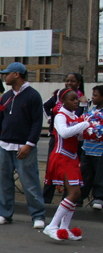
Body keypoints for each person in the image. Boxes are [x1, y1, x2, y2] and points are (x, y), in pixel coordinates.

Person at [0, 63, 46, 228]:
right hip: (4, 145)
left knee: (30, 182)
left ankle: (38, 215)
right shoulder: (6, 96)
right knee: (3, 182)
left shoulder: (33, 96)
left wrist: (30, 144)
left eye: (7, 73)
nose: (4, 76)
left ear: (17, 74)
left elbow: (37, 123)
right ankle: (4, 213)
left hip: (24, 147)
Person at [42, 88, 90, 241]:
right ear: (63, 101)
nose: (76, 101)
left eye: (77, 99)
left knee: (76, 194)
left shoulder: (74, 116)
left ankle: (64, 228)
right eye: (72, 99)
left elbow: (78, 137)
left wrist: (91, 129)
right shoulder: (60, 116)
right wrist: (84, 124)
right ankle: (52, 226)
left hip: (72, 158)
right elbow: (64, 132)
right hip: (62, 157)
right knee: (74, 193)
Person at [42, 73, 85, 204]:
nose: (69, 83)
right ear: (63, 101)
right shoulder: (60, 109)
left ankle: (65, 208)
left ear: (79, 83)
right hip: (60, 148)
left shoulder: (81, 100)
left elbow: (79, 127)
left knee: (73, 190)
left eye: (73, 81)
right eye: (67, 80)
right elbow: (65, 131)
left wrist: (85, 127)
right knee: (52, 172)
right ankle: (46, 202)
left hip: (72, 151)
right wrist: (51, 119)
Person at [80, 85, 103, 210]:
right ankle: (79, 197)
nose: (92, 98)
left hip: (100, 151)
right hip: (87, 149)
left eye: (95, 95)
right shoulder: (91, 111)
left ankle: (98, 197)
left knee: (99, 176)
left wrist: (87, 129)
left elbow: (98, 130)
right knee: (85, 175)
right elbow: (82, 122)